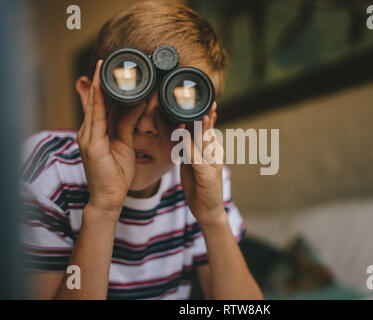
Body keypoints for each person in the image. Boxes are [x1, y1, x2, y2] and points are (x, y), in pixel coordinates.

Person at [19, 1, 262, 300]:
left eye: (174, 108)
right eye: (129, 97)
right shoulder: (47, 170)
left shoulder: (201, 178)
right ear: (89, 96)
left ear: (204, 119)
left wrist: (212, 216)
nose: (146, 126)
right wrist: (104, 206)